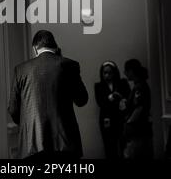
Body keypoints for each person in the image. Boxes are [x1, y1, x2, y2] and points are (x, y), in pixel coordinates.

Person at [8, 30, 88, 159]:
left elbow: (13, 110)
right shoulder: (69, 65)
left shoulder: (21, 70)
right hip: (65, 143)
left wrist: (28, 122)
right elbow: (82, 100)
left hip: (32, 144)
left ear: (35, 49)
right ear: (55, 47)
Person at [94, 60, 130, 159]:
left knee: (124, 145)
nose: (107, 75)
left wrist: (121, 98)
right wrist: (111, 97)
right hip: (106, 119)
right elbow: (100, 102)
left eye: (110, 72)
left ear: (114, 72)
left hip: (121, 119)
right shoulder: (98, 86)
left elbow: (128, 98)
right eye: (105, 72)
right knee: (109, 147)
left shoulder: (122, 83)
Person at [121, 59, 153, 159]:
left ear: (130, 71)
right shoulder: (140, 85)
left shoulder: (139, 87)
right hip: (140, 130)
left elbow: (139, 108)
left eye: (126, 70)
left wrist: (128, 124)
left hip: (138, 130)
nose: (125, 73)